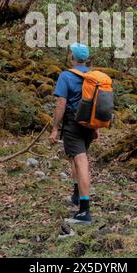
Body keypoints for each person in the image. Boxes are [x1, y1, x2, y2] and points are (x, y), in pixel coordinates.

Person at [49, 43, 98, 225]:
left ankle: (84, 212)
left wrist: (55, 128)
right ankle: (77, 195)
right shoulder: (92, 78)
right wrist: (95, 128)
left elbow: (61, 104)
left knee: (81, 161)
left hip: (72, 124)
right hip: (88, 125)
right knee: (74, 158)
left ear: (73, 58)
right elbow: (94, 104)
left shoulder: (66, 76)